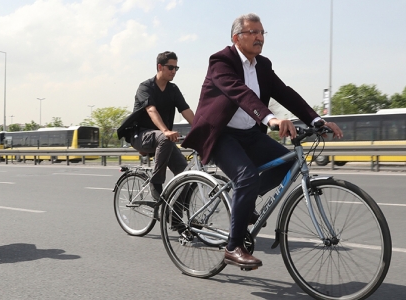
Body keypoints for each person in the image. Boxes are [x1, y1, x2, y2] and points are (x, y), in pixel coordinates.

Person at [182, 13, 343, 269]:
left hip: (249, 134)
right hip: (221, 134)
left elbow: (286, 93)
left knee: (283, 166)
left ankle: (242, 205)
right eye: (253, 32)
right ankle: (233, 248)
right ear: (237, 37)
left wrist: (316, 121)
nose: (259, 37)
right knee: (247, 177)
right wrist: (271, 119)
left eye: (262, 33)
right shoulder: (221, 61)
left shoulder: (263, 65)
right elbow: (240, 93)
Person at [122, 51, 195, 211]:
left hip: (164, 140)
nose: (174, 71)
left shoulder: (173, 89)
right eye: (170, 67)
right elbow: (151, 110)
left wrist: (202, 130)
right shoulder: (145, 87)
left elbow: (186, 110)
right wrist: (166, 130)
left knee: (188, 176)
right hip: (140, 135)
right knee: (164, 137)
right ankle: (156, 182)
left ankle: (174, 215)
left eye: (176, 68)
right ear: (159, 67)